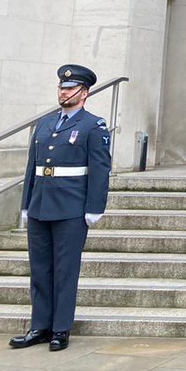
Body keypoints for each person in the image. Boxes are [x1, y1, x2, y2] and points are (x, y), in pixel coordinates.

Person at [10, 64, 111, 352]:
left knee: (65, 269)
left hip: (71, 206)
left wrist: (95, 207)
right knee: (40, 268)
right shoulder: (44, 124)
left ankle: (61, 328)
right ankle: (40, 325)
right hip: (41, 203)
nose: (63, 92)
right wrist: (27, 203)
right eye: (61, 88)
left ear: (84, 92)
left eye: (69, 88)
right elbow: (33, 166)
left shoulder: (93, 126)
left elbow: (100, 169)